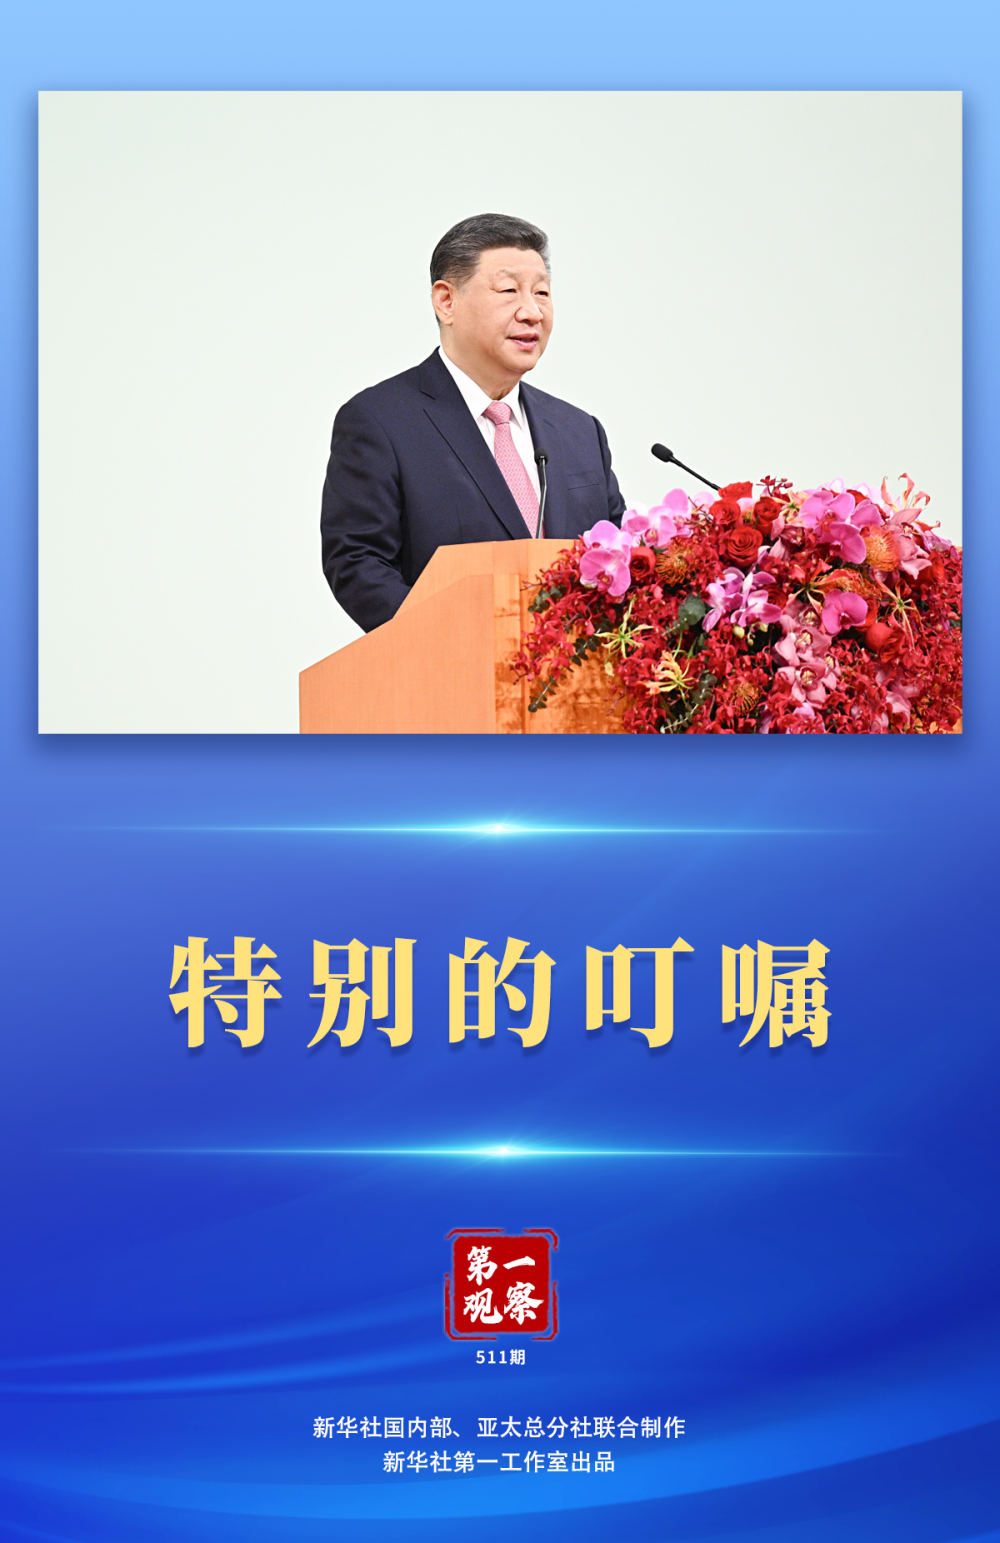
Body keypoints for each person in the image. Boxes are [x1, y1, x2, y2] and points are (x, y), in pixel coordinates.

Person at [321, 213, 626, 633]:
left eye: (542, 292)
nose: (532, 312)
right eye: (509, 290)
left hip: (576, 670)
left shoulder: (579, 431)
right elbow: (358, 562)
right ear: (446, 302)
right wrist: (453, 641)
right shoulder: (381, 421)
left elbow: (617, 554)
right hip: (449, 664)